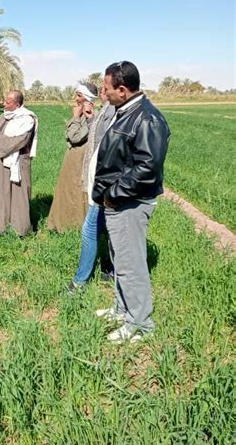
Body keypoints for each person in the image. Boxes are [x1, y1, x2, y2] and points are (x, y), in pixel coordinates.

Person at [92, 61, 170, 343]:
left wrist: (113, 194)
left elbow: (147, 168)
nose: (103, 92)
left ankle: (140, 324)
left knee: (131, 264)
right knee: (119, 259)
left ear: (122, 90)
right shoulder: (124, 111)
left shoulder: (147, 119)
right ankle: (122, 308)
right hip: (118, 202)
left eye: (106, 87)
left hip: (130, 203)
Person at [68, 86, 115, 292]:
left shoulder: (114, 111)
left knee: (90, 230)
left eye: (106, 86)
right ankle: (113, 271)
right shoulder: (105, 110)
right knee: (108, 229)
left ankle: (80, 282)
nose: (102, 90)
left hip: (104, 183)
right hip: (101, 181)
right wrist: (89, 118)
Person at [0, 90, 38, 236]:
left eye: (8, 102)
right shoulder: (3, 116)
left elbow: (21, 140)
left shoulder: (27, 119)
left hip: (18, 161)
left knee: (19, 194)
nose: (4, 103)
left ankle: (19, 229)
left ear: (17, 104)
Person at [47, 82, 98, 232]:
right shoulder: (84, 114)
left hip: (81, 159)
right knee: (67, 188)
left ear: (87, 98)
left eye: (79, 95)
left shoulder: (91, 116)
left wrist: (75, 117)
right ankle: (63, 223)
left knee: (76, 191)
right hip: (74, 157)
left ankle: (73, 226)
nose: (76, 98)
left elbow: (74, 137)